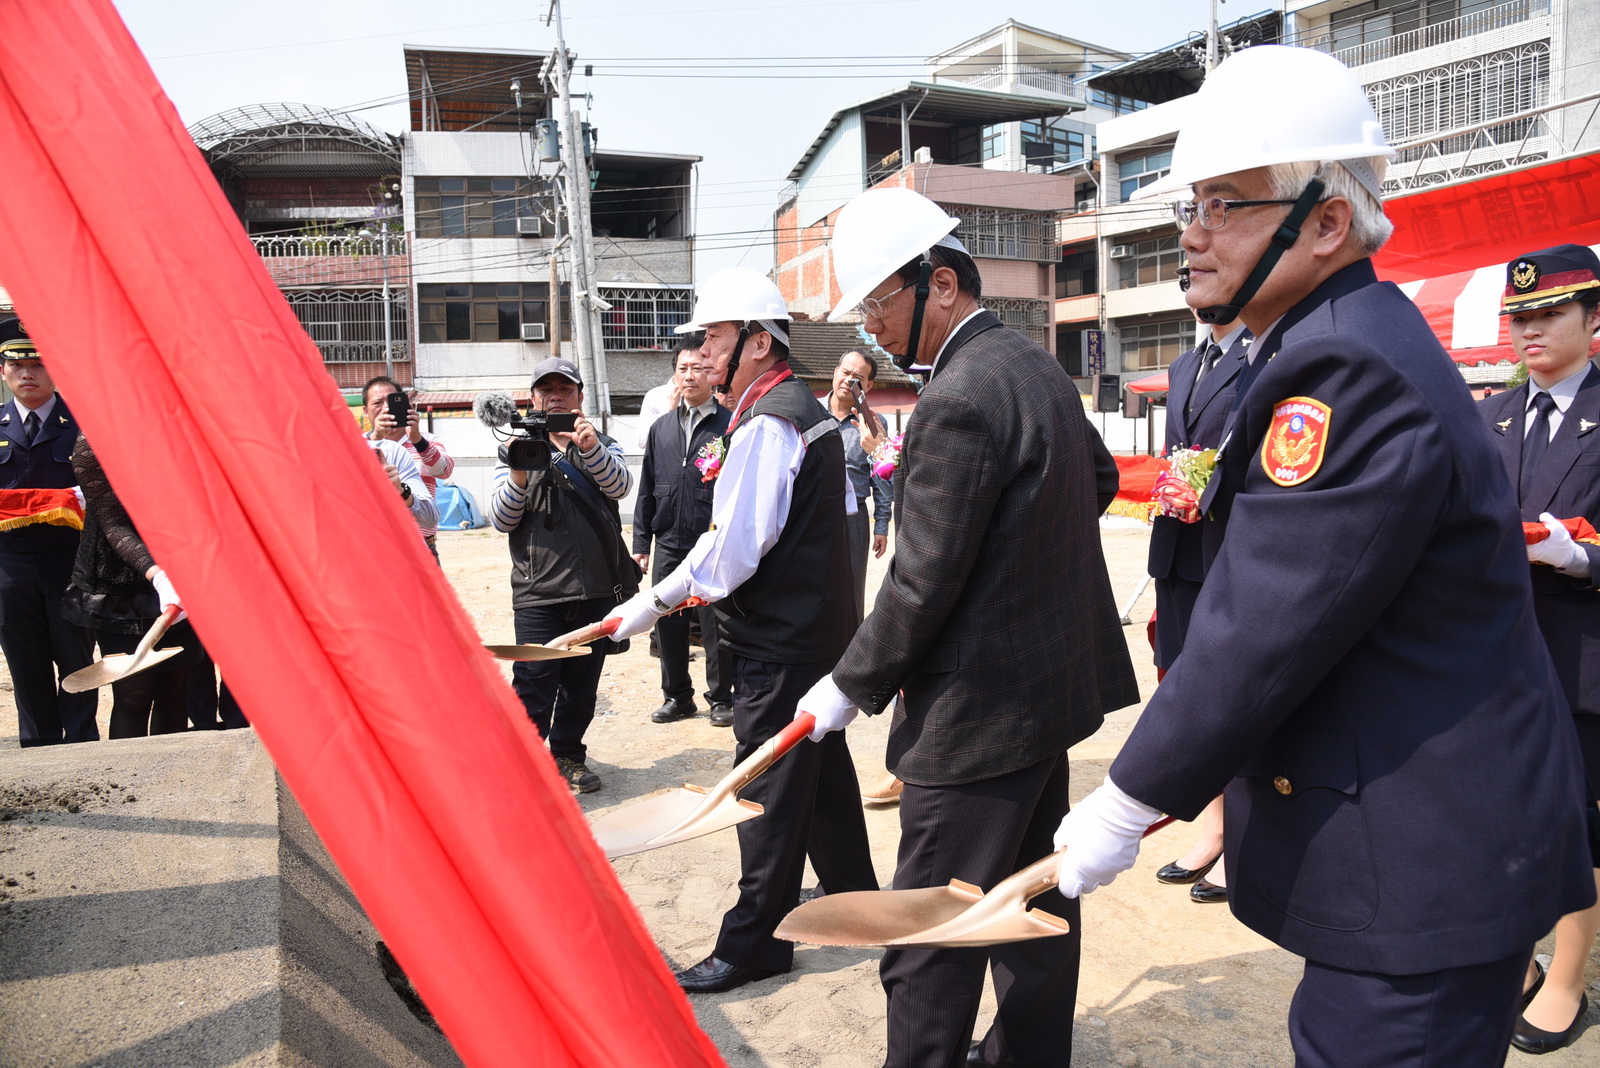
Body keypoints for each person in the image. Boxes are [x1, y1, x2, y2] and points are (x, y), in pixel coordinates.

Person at [1050, 46, 1594, 1068]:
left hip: (1427, 858)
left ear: (1327, 221)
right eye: (1187, 209)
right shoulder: (1332, 341)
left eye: (1224, 206)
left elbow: (1268, 618)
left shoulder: (1343, 366)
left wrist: (1128, 796)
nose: (1192, 238)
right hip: (1418, 841)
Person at [800, 187, 1137, 1068]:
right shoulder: (1031, 364)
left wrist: (847, 683)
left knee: (929, 939)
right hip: (1041, 701)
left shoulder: (957, 394)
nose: (870, 330)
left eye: (878, 304)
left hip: (975, 715)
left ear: (939, 283)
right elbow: (1093, 482)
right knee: (1034, 911)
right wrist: (1019, 567)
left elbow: (920, 582)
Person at [604, 267, 877, 994]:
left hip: (778, 646)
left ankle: (756, 940)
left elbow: (728, 555)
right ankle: (858, 898)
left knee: (761, 793)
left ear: (759, 342)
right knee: (821, 777)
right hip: (815, 635)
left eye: (717, 337)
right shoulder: (798, 409)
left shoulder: (767, 423)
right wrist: (656, 601)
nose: (705, 351)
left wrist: (653, 603)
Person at [1478, 242, 1600, 1055]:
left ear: (1594, 319)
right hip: (1497, 658)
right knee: (1504, 815)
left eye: (1550, 313)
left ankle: (1568, 976)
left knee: (1577, 825)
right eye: (1520, 316)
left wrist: (1581, 555)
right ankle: (1517, 957)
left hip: (1585, 654)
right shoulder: (1490, 416)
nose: (1531, 330)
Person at [489, 357, 637, 794]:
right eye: (546, 389)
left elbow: (621, 488)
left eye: (565, 389)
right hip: (538, 593)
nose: (556, 396)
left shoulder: (601, 442)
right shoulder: (515, 447)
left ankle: (568, 756)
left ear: (579, 397)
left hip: (595, 589)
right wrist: (519, 473)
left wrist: (590, 448)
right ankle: (526, 766)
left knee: (580, 685)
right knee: (533, 681)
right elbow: (501, 519)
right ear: (532, 398)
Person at [1148, 311, 1250, 905]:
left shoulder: (1265, 352)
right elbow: (1177, 447)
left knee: (1235, 696)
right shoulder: (1185, 363)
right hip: (1177, 549)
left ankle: (1244, 836)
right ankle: (1213, 823)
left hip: (1229, 544)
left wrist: (1205, 484)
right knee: (1189, 696)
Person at [0, 317, 97, 745]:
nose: (27, 374)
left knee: (76, 659)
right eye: (16, 365)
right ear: (1, 370)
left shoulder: (85, 425)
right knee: (25, 663)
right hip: (9, 565)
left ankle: (80, 752)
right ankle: (39, 752)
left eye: (38, 364)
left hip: (70, 563)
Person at [60, 435, 194, 738]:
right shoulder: (92, 439)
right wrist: (159, 577)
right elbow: (114, 524)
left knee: (174, 691)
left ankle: (174, 779)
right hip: (118, 579)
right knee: (134, 694)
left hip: (182, 562)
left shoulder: (182, 429)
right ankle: (127, 782)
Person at [632, 339, 734, 726]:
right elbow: (646, 488)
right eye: (683, 369)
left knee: (714, 621)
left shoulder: (729, 425)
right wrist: (641, 543)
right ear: (674, 376)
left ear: (712, 374)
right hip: (669, 541)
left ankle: (722, 698)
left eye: (698, 368)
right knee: (667, 619)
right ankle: (677, 696)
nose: (690, 375)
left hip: (712, 541)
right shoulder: (661, 429)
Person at [821, 350, 892, 622]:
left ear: (868, 386)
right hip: (812, 513)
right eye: (845, 372)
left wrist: (882, 525)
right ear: (835, 371)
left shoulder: (872, 422)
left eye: (857, 378)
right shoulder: (808, 412)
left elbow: (882, 476)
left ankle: (848, 657)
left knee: (850, 592)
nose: (848, 380)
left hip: (854, 519)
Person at [363, 376, 454, 561]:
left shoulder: (425, 440)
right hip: (373, 548)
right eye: (378, 403)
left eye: (392, 401)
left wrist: (417, 439)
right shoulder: (358, 444)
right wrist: (375, 439)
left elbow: (444, 471)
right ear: (366, 411)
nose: (386, 408)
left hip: (422, 545)